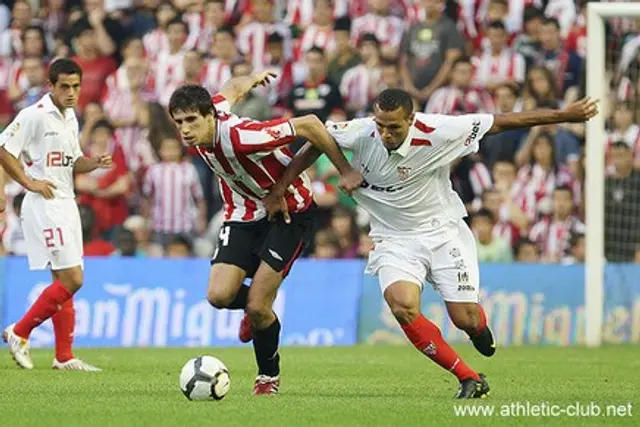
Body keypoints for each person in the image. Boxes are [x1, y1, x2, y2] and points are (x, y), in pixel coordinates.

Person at [264, 88, 598, 398]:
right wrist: (281, 188)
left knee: (465, 318)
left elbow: (502, 122)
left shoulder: (440, 130)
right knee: (402, 305)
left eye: (393, 127)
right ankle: (469, 377)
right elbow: (316, 141)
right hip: (393, 238)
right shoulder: (361, 131)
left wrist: (564, 115)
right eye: (380, 125)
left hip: (442, 232)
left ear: (411, 120)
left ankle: (478, 328)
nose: (385, 134)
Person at [167, 71, 362, 395]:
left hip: (289, 210)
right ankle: (257, 309)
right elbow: (232, 88)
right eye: (179, 122)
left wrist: (345, 170)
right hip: (242, 214)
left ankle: (267, 378)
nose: (185, 130)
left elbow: (311, 124)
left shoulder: (244, 137)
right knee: (218, 296)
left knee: (258, 305)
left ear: (209, 116)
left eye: (191, 120)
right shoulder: (210, 113)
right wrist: (253, 77)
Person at [0, 58, 112, 371]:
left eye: (76, 86)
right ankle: (19, 331)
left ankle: (64, 355)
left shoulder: (70, 117)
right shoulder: (33, 115)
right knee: (74, 278)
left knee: (62, 277)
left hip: (66, 201)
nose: (72, 92)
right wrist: (28, 182)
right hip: (44, 204)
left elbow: (73, 161)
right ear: (51, 86)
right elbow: (3, 148)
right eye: (65, 86)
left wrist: (94, 163)